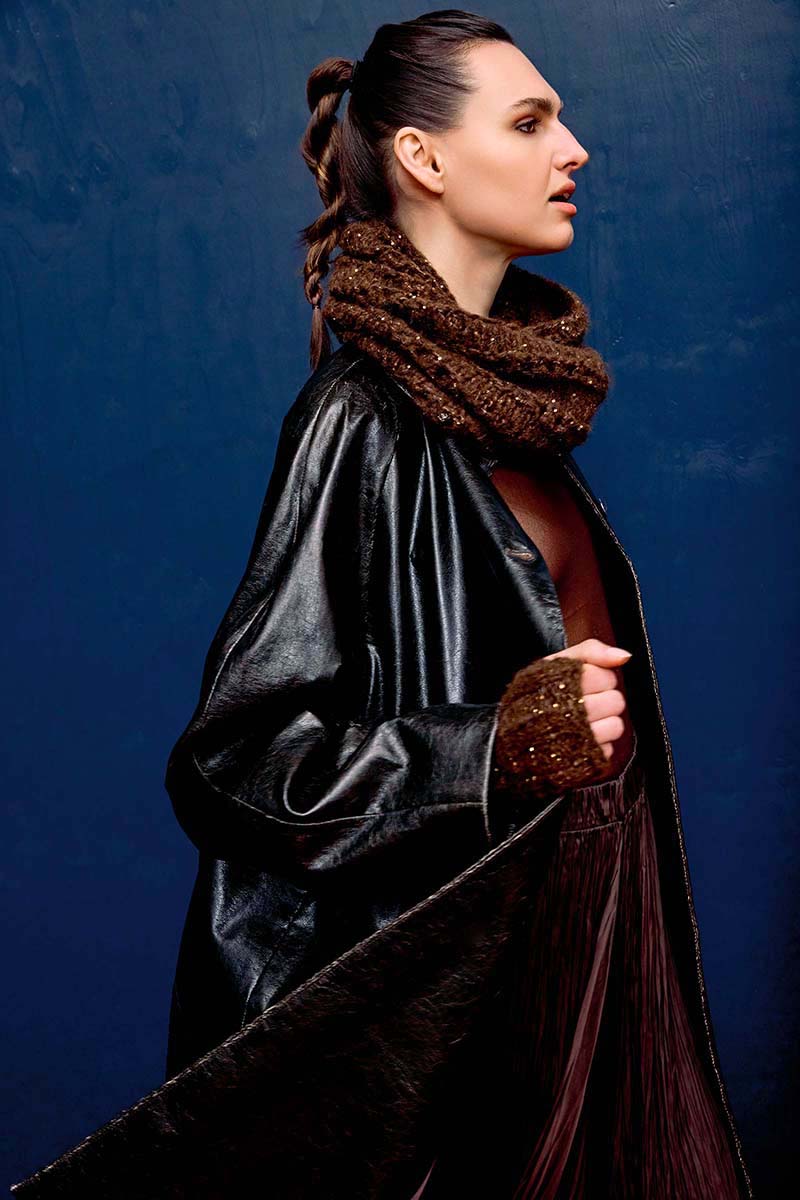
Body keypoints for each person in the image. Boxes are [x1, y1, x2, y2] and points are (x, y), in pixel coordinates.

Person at [156, 9, 754, 1199]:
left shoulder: (507, 402)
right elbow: (231, 762)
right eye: (529, 122)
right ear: (423, 158)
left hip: (597, 926)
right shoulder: (362, 416)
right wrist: (487, 749)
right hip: (472, 996)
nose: (572, 148)